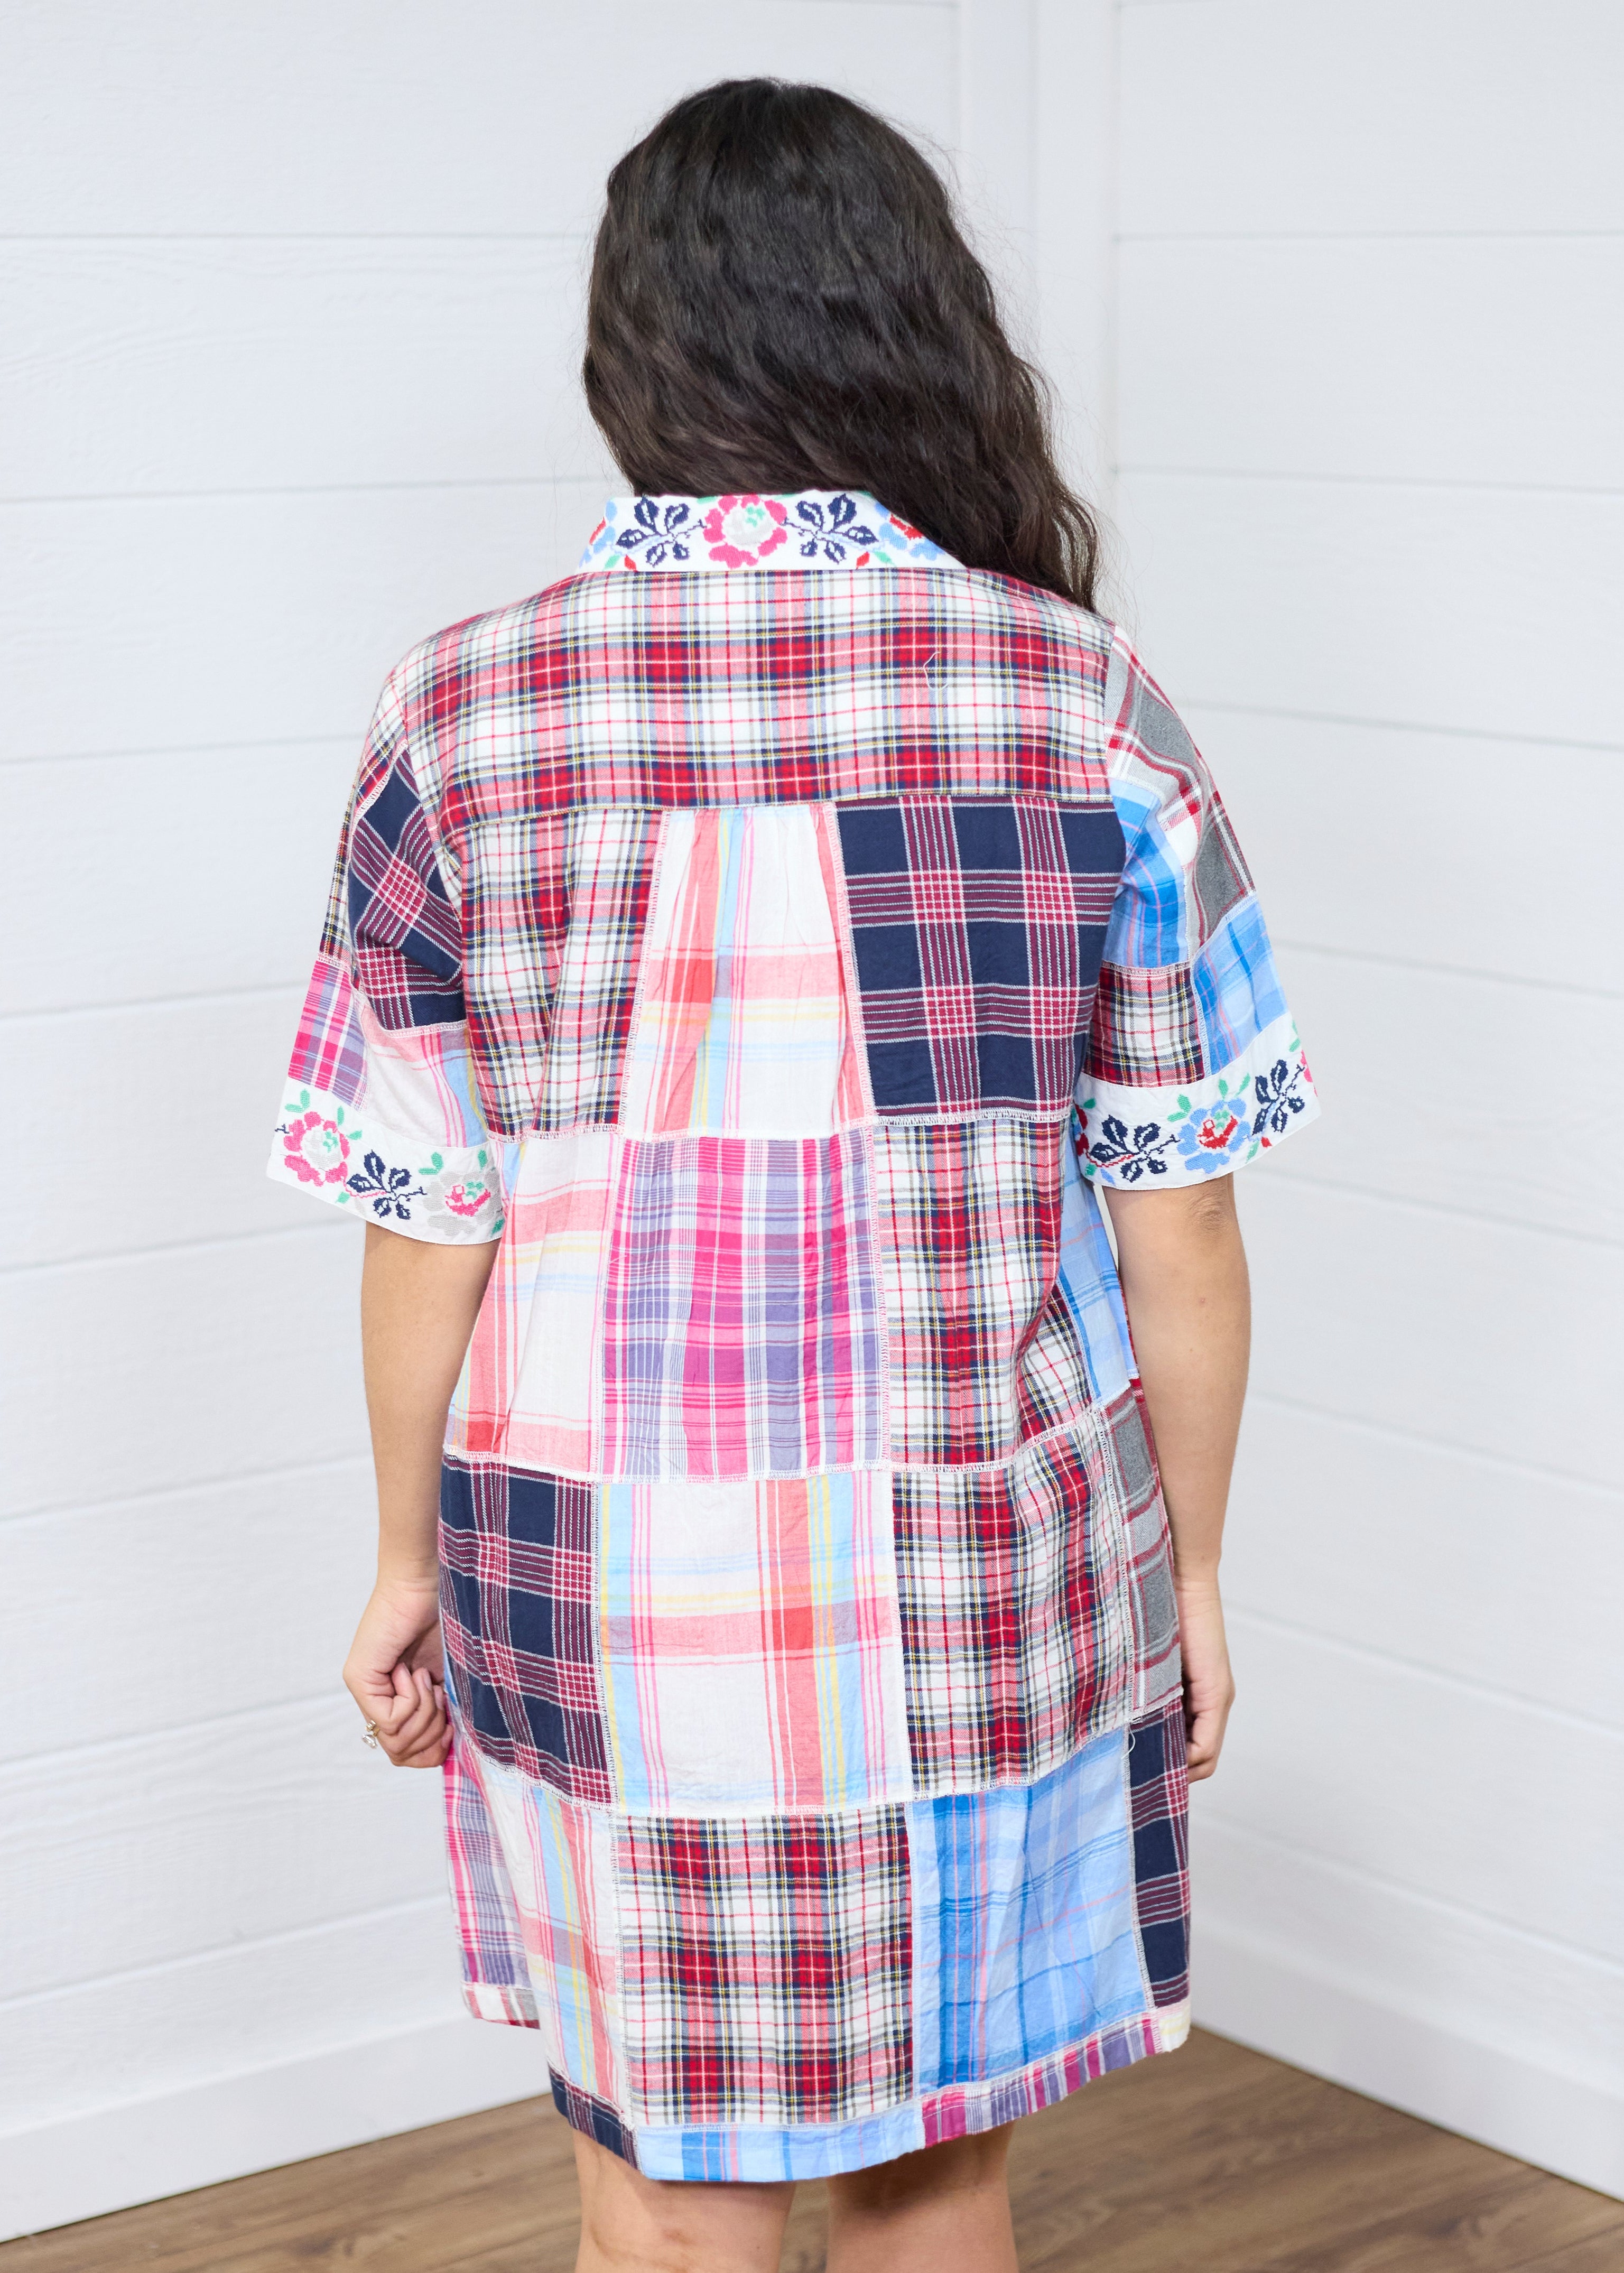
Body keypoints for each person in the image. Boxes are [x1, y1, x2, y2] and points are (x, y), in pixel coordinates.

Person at [268, 78, 1317, 2273]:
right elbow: (1182, 1205)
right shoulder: (1072, 695)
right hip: (983, 1555)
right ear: (909, 329)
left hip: (592, 1573)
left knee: (657, 2193)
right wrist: (1192, 1568)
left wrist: (400, 1551)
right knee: (941, 2162)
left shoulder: (456, 710)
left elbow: (424, 1208)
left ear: (628, 357)